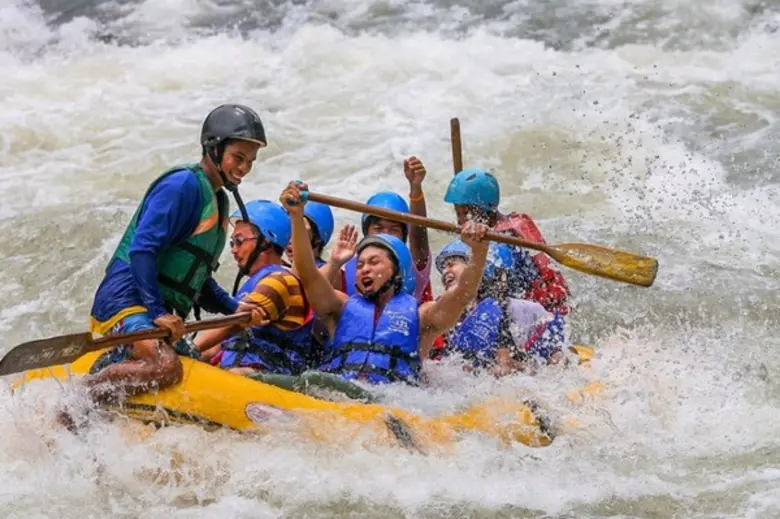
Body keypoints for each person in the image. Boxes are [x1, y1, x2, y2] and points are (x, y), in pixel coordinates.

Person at [77, 104, 267, 409]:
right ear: (214, 149)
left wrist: (236, 309)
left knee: (197, 370)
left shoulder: (216, 199)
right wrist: (156, 310)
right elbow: (143, 250)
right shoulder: (182, 186)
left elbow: (197, 280)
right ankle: (78, 400)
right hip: (128, 300)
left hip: (158, 308)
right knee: (165, 367)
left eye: (250, 161)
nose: (244, 168)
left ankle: (117, 375)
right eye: (238, 157)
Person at [281, 180, 489, 385]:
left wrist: (479, 251)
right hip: (340, 397)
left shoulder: (423, 317)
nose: (364, 269)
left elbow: (463, 294)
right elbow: (308, 274)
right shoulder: (339, 307)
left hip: (391, 406)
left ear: (397, 271)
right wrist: (296, 216)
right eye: (360, 264)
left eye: (374, 262)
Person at [193, 199, 318, 377]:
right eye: (232, 243)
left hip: (267, 378)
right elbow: (219, 345)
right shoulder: (255, 285)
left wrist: (191, 348)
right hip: (238, 371)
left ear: (266, 243)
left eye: (239, 241)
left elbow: (234, 323)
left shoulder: (279, 281)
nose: (234, 250)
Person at [443, 168, 570, 314]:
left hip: (540, 311)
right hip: (547, 304)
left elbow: (490, 281)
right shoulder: (516, 220)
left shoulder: (505, 237)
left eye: (465, 213)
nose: (460, 220)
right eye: (457, 212)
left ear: (486, 210)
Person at [430, 239, 565, 376]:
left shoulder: (513, 308)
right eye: (444, 268)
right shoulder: (445, 314)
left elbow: (556, 349)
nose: (445, 271)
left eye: (452, 264)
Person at [322, 156, 433, 304]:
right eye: (378, 228)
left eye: (394, 230)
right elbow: (315, 293)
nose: (385, 235)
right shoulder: (352, 270)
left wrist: (416, 188)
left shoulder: (413, 266)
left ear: (404, 236)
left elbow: (419, 234)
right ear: (367, 233)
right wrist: (334, 263)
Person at [285, 200, 335, 268]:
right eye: (287, 231)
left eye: (299, 233)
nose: (290, 241)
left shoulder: (326, 271)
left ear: (318, 239)